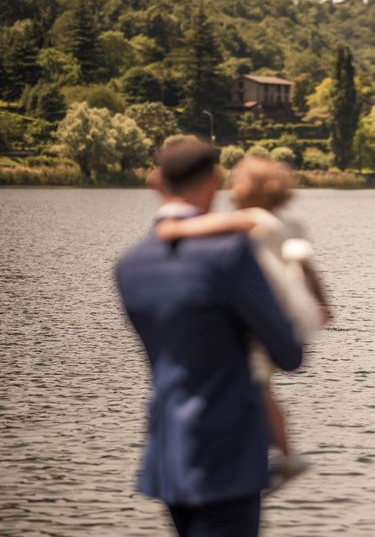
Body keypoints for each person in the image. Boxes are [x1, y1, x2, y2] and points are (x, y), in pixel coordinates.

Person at [115, 139, 304, 537]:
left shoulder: (130, 266)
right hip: (227, 456)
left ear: (156, 182)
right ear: (216, 181)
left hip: (167, 456)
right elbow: (287, 353)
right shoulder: (228, 255)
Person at [154, 155, 333, 489]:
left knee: (256, 381)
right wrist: (322, 304)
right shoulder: (290, 225)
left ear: (252, 190)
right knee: (263, 383)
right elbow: (306, 265)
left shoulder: (253, 218)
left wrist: (175, 227)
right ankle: (283, 452)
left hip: (267, 311)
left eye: (236, 180)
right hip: (291, 309)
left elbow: (213, 227)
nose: (230, 186)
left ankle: (284, 454)